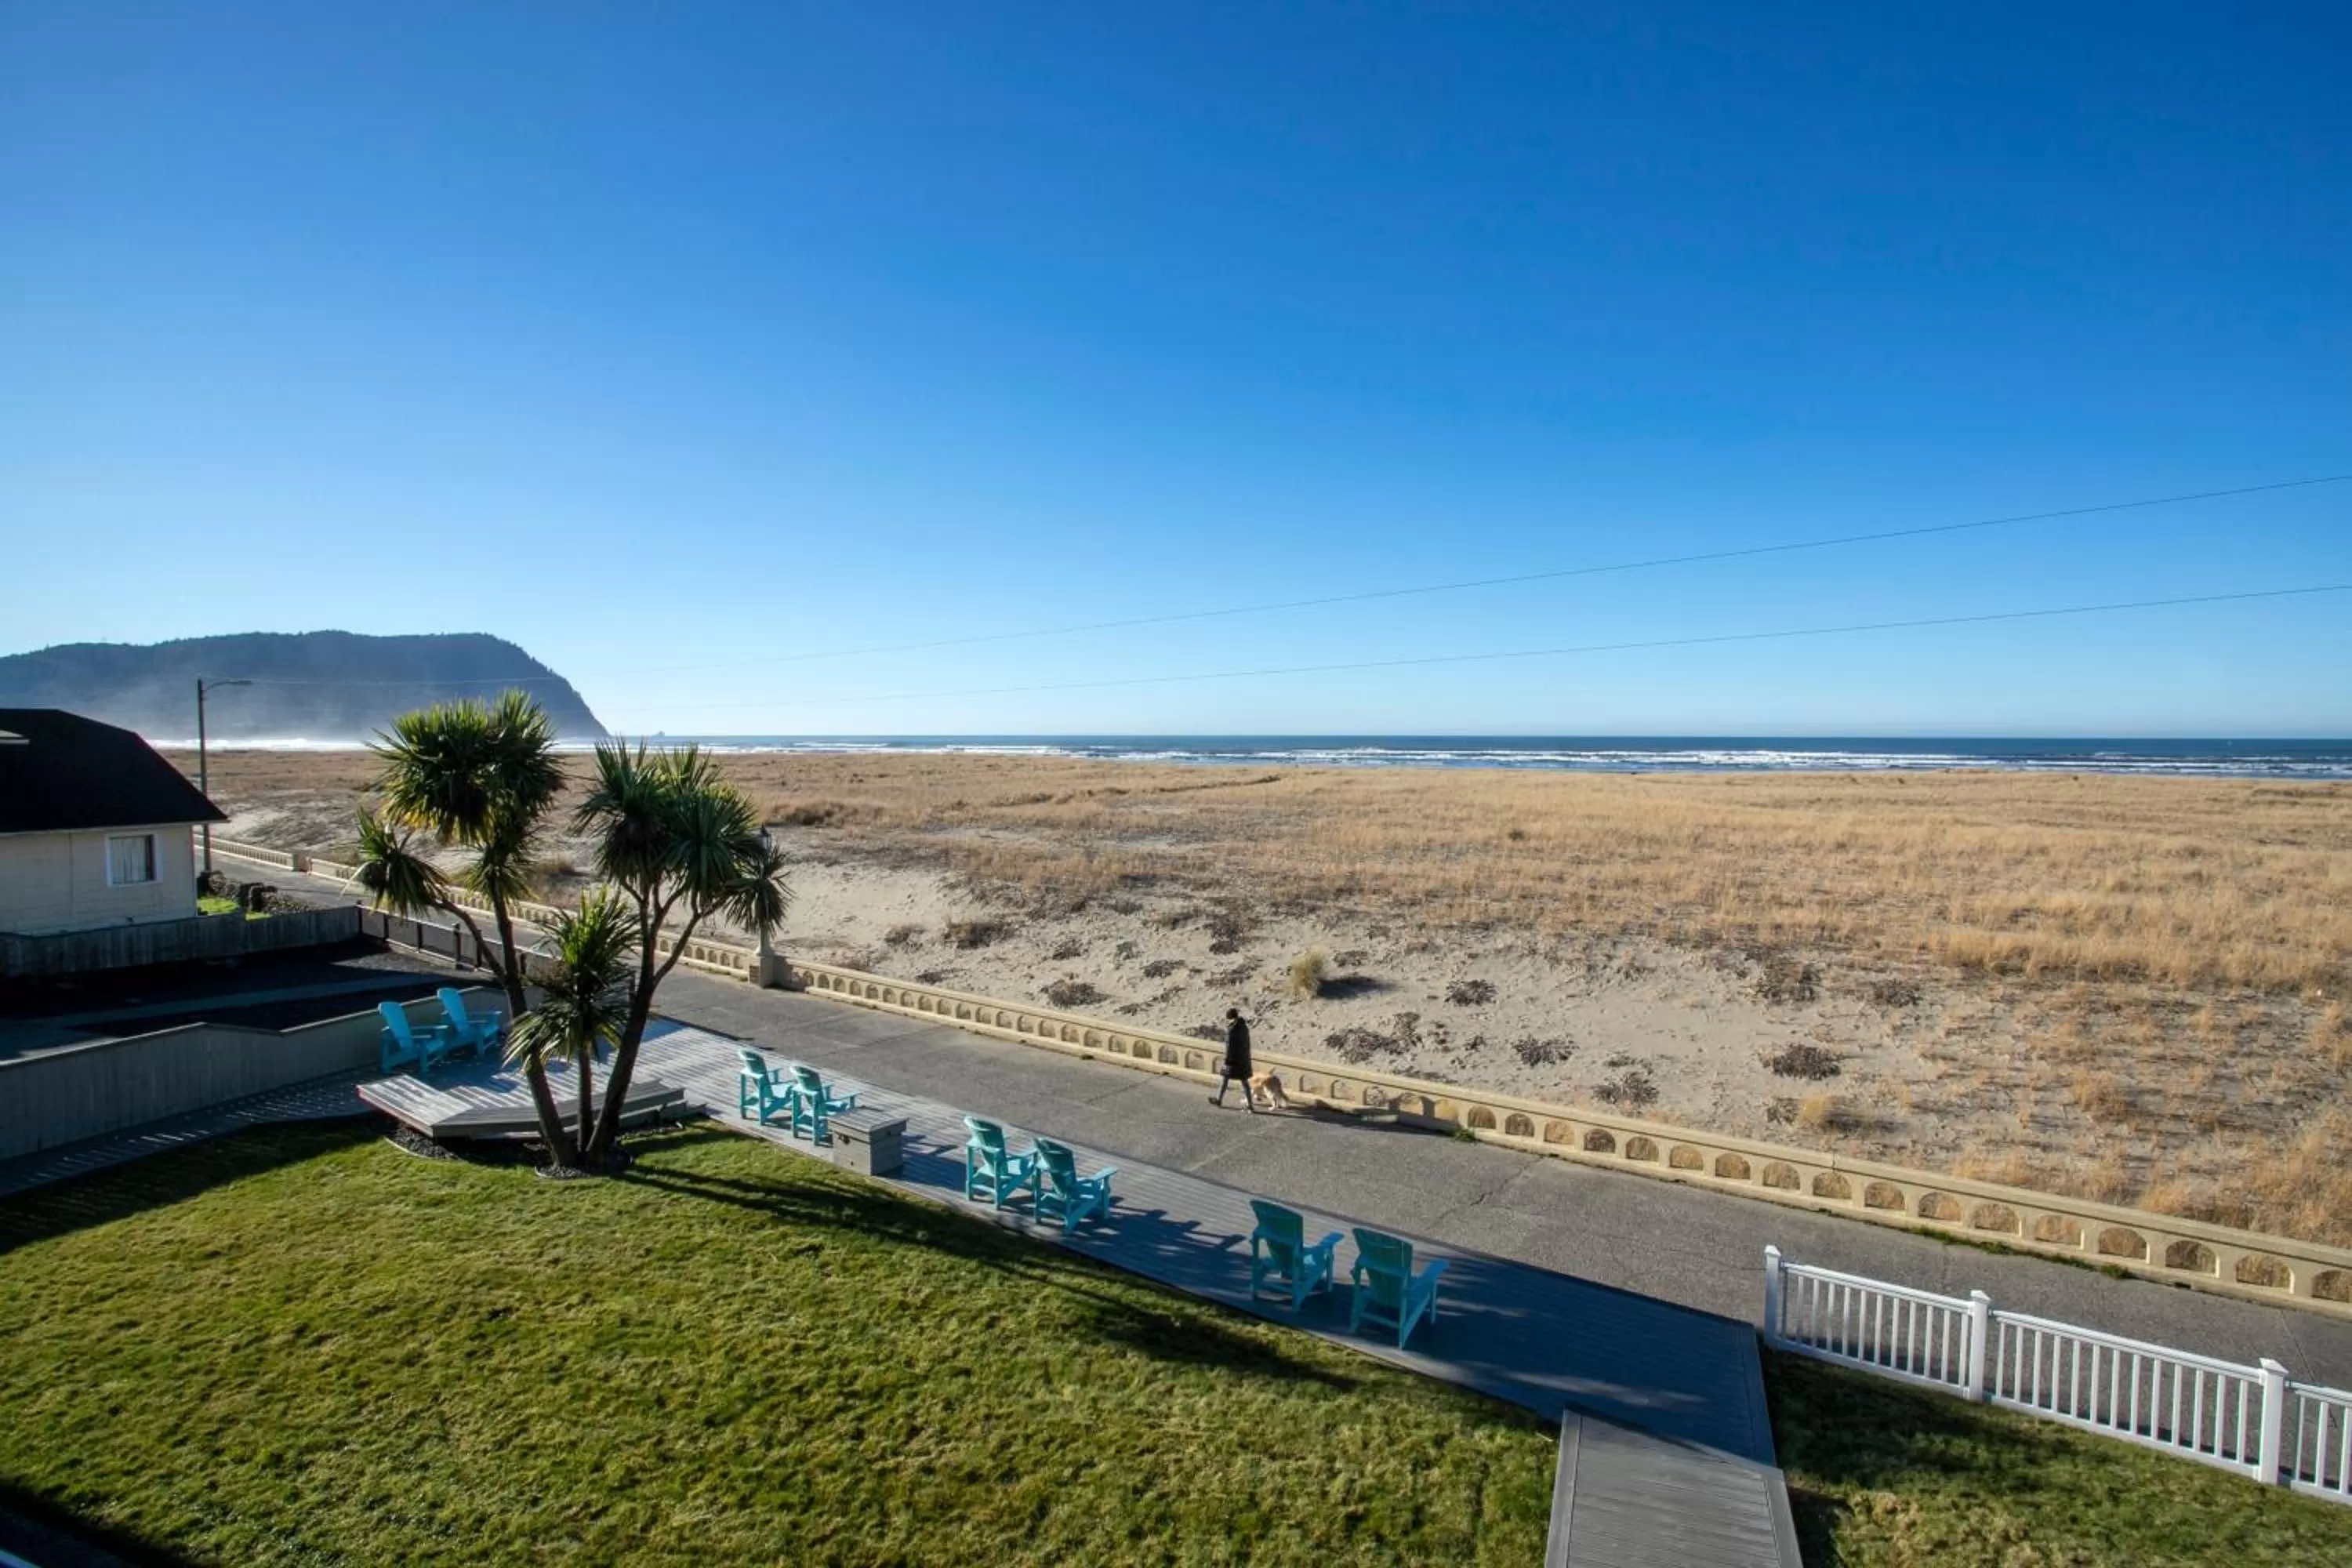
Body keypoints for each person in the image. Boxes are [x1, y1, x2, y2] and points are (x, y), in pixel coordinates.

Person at [1211, 1007, 1279, 1112]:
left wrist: (1227, 1060)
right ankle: (1249, 1105)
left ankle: (1219, 1099)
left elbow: (1229, 1047)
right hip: (1243, 1059)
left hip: (1233, 1060)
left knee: (1225, 1080)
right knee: (1245, 1083)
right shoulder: (1244, 1027)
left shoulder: (1232, 1030)